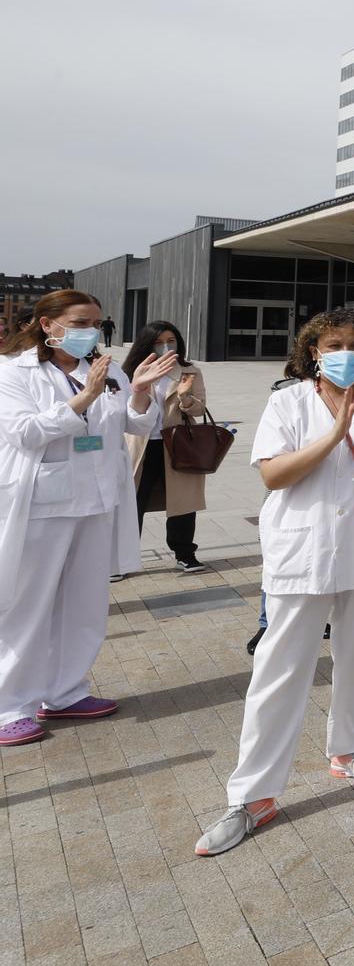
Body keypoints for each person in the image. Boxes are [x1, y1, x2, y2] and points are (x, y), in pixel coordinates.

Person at [193, 310, 354, 855]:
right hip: (305, 551)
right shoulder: (288, 401)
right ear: (314, 351)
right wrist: (336, 434)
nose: (347, 352)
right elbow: (274, 473)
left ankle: (350, 752)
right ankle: (252, 796)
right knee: (280, 671)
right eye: (335, 343)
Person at [0, 291, 169, 748]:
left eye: (95, 322)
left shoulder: (106, 367)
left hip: (97, 500)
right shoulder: (13, 371)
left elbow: (138, 427)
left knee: (85, 603)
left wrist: (138, 393)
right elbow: (24, 433)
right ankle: (9, 705)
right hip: (43, 502)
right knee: (28, 605)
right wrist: (84, 399)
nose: (90, 331)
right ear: (47, 323)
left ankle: (65, 692)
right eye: (79, 322)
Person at [123, 320, 211, 573]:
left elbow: (199, 407)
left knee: (182, 502)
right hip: (139, 444)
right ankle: (123, 557)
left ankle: (184, 553)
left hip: (177, 442)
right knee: (132, 502)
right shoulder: (132, 370)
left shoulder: (189, 370)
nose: (165, 346)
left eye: (170, 341)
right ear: (147, 345)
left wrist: (185, 396)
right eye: (159, 342)